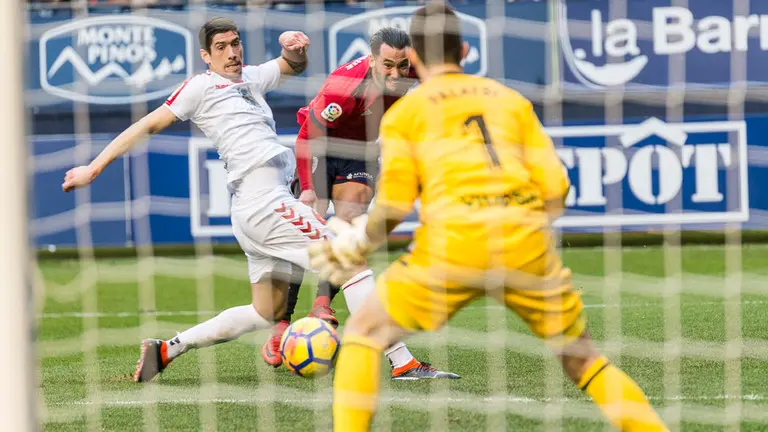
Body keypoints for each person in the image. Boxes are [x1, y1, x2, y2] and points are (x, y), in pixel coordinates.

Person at [310, 4, 670, 431]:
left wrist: (357, 243)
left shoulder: (405, 112)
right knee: (585, 361)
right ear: (464, 50)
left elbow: (393, 208)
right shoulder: (510, 101)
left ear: (415, 59)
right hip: (524, 246)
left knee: (364, 335)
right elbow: (557, 188)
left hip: (450, 248)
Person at [63, 17, 322, 383]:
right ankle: (398, 358)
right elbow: (146, 125)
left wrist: (294, 50)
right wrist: (93, 168)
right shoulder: (201, 86)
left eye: (235, 43)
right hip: (262, 199)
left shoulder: (251, 77)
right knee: (349, 258)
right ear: (206, 55)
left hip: (264, 200)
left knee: (267, 310)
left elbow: (292, 66)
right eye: (221, 47)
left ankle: (168, 348)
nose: (232, 52)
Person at [260, 27, 459, 381]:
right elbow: (307, 136)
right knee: (307, 233)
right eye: (387, 66)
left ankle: (322, 303)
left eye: (402, 66)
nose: (396, 74)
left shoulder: (414, 70)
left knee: (350, 227)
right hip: (321, 145)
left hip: (361, 153)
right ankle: (281, 324)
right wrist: (308, 189)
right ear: (372, 60)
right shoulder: (345, 87)